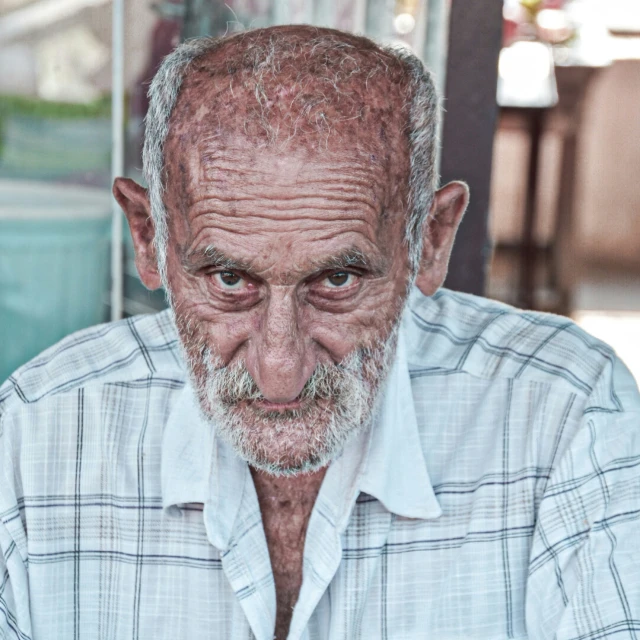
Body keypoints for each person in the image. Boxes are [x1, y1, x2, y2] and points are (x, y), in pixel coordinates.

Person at [1, 25, 638, 640]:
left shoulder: (567, 416)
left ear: (432, 240)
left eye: (336, 281)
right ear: (150, 238)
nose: (280, 368)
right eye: (229, 280)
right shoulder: (38, 435)